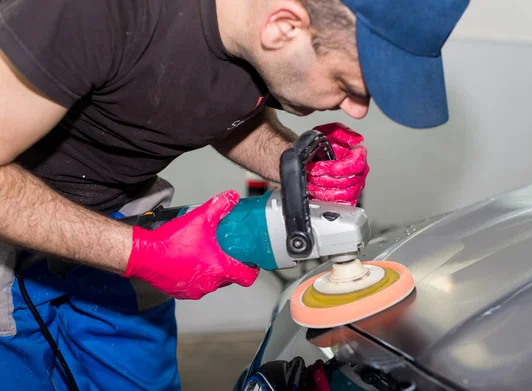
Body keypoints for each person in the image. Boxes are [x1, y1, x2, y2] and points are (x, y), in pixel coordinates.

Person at [0, 0, 469, 389]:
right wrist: (139, 253)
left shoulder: (247, 32)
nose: (356, 110)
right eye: (346, 87)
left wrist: (296, 165)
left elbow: (212, 102)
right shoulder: (91, 13)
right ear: (284, 26)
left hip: (126, 217)